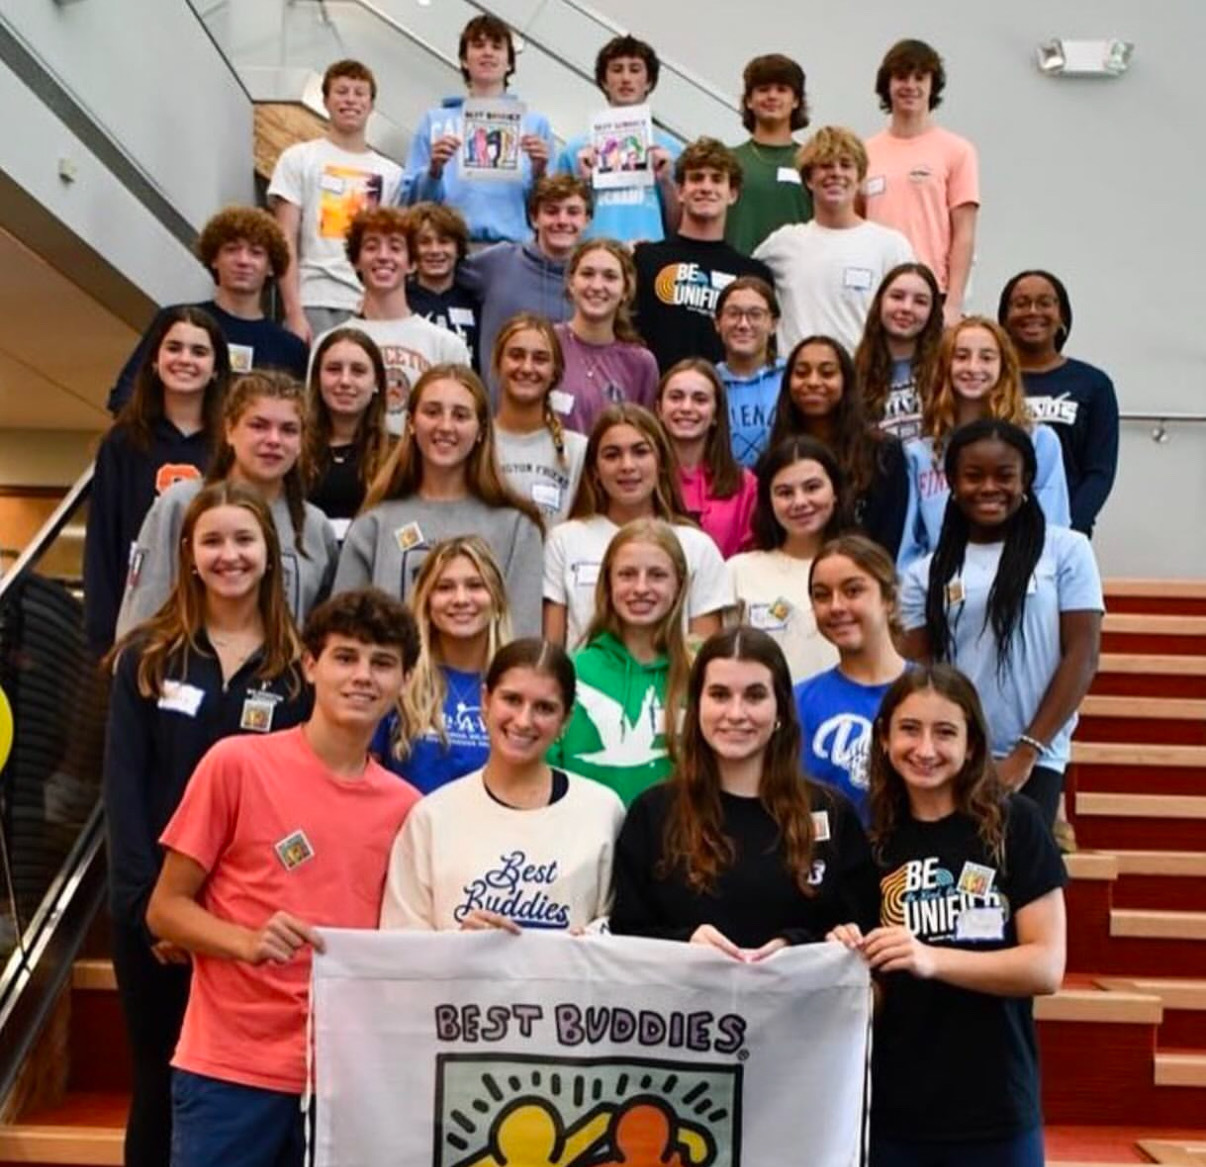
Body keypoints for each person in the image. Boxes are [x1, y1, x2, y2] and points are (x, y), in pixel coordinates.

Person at [144, 589, 421, 1167]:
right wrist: (245, 941)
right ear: (310, 665)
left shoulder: (408, 808)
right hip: (229, 1071)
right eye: (345, 657)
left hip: (345, 1080)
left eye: (383, 662)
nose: (363, 676)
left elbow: (415, 938)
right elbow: (165, 909)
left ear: (406, 679)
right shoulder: (236, 764)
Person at [103, 482, 309, 1167]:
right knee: (158, 1088)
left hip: (253, 924)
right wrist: (149, 914)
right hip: (156, 921)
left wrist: (243, 921)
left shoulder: (299, 671)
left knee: (246, 1100)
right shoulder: (147, 657)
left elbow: (298, 805)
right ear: (188, 554)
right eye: (213, 540)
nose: (230, 555)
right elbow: (123, 793)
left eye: (244, 540)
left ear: (269, 555)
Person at [829, 665, 1066, 1165]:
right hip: (895, 1113)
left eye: (945, 732)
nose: (925, 749)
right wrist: (842, 960)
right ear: (885, 739)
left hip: (997, 1108)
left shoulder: (1014, 824)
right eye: (909, 729)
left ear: (973, 743)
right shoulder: (872, 844)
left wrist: (931, 959)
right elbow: (871, 995)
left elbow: (1045, 967)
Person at [610, 627, 879, 952]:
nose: (736, 714)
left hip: (797, 1002)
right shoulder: (652, 813)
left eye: (754, 696)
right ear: (696, 707)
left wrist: (795, 946)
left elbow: (860, 932)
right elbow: (624, 935)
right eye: (720, 695)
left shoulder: (832, 813)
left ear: (780, 708)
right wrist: (685, 943)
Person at [898, 420, 1103, 828]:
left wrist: (1026, 753)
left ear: (1026, 479)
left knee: (1020, 881)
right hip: (949, 756)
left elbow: (1082, 654)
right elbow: (919, 674)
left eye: (1004, 475)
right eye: (974, 476)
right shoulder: (925, 574)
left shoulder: (1067, 551)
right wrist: (945, 748)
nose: (989, 487)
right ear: (952, 483)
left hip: (1035, 757)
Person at [380, 638, 626, 931]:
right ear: (485, 701)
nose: (523, 721)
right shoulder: (432, 817)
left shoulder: (602, 811)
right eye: (512, 700)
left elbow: (623, 933)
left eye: (545, 708)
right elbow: (401, 949)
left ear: (566, 720)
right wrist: (457, 946)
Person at [116, 371, 339, 640]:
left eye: (289, 430)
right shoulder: (182, 504)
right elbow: (143, 612)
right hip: (185, 675)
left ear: (303, 442)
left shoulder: (314, 526)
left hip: (281, 677)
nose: (274, 440)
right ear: (229, 430)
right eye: (258, 425)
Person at [334, 364, 545, 636]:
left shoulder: (517, 528)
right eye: (432, 412)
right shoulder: (374, 525)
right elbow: (344, 633)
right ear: (410, 423)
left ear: (481, 430)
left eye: (460, 415)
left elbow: (522, 642)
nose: (445, 426)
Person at [85, 307, 229, 657]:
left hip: (213, 618)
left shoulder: (230, 445)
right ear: (153, 360)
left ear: (216, 369)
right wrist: (103, 634)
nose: (185, 359)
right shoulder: (123, 443)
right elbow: (103, 541)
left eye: (199, 351)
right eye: (174, 348)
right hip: (138, 621)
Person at [543, 403, 732, 649]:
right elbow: (553, 651)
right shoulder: (564, 540)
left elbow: (704, 654)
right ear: (595, 470)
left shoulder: (697, 546)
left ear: (661, 462)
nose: (627, 466)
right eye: (612, 455)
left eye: (640, 452)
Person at [898, 317, 1069, 568]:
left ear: (1004, 367)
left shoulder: (1040, 442)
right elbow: (907, 549)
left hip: (1020, 582)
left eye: (987, 357)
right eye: (961, 356)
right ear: (945, 366)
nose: (973, 367)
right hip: (940, 588)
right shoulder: (918, 454)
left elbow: (1052, 529)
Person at [107, 208, 307, 415]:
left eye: (256, 253)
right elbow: (125, 395)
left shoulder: (291, 349)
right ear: (214, 259)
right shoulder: (176, 324)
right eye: (232, 249)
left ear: (271, 267)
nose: (243, 261)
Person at [549, 519, 691, 805]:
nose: (641, 587)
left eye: (657, 575)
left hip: (677, 844)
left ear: (678, 585)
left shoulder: (700, 674)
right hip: (587, 842)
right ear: (608, 584)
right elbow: (545, 770)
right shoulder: (570, 672)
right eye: (627, 574)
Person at [268, 59, 406, 343]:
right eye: (342, 92)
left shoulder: (392, 175)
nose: (351, 100)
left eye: (359, 93)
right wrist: (293, 312)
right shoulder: (299, 158)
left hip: (367, 304)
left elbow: (395, 252)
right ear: (326, 101)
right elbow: (283, 240)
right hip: (311, 298)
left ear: (371, 104)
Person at [754, 126, 914, 355]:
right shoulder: (782, 244)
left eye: (846, 165)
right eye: (826, 166)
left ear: (859, 178)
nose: (836, 173)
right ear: (809, 180)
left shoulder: (891, 247)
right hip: (796, 383)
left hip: (861, 385)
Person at [313, 206, 471, 434]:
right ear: (355, 261)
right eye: (371, 247)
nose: (383, 256)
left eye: (395, 247)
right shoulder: (328, 344)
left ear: (411, 263)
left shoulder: (447, 345)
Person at [372, 536, 509, 794]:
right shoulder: (399, 680)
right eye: (445, 587)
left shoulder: (514, 687)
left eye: (475, 585)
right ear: (426, 601)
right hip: (407, 830)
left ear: (497, 599)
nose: (460, 599)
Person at [407, 14, 554, 245]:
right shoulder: (434, 121)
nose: (487, 52)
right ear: (464, 60)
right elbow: (411, 204)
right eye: (478, 45)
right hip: (448, 249)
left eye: (497, 47)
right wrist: (433, 170)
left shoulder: (535, 125)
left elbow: (549, 210)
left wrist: (540, 172)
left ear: (509, 63)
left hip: (512, 250)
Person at [863, 40, 980, 326]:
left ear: (932, 85)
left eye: (920, 78)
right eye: (902, 77)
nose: (910, 86)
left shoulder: (957, 150)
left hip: (931, 292)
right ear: (887, 85)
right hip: (875, 290)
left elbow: (964, 234)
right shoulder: (864, 152)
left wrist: (953, 303)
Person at [794, 534, 908, 824]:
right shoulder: (797, 701)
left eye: (853, 591)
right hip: (832, 861)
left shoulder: (933, 695)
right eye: (821, 595)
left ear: (889, 600)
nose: (835, 606)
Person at [632, 138, 773, 371]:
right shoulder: (646, 259)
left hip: (724, 401)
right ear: (679, 191)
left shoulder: (753, 274)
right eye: (697, 178)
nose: (706, 187)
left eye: (717, 179)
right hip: (656, 399)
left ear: (733, 194)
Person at [998, 269, 1119, 538]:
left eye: (1045, 303)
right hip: (996, 530)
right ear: (1005, 318)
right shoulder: (991, 380)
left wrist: (1067, 529)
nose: (1032, 311)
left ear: (1061, 315)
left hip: (1066, 531)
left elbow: (1099, 472)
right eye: (1020, 303)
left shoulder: (1093, 384)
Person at [769, 335, 910, 558]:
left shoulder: (883, 453)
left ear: (846, 381)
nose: (813, 382)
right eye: (802, 373)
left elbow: (888, 538)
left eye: (827, 373)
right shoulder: (774, 455)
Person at [459, 174, 593, 399]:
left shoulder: (594, 279)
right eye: (551, 211)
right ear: (533, 218)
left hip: (570, 419)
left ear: (587, 219)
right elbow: (440, 271)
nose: (562, 220)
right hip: (498, 419)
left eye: (572, 212)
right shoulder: (498, 262)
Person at [728, 437, 843, 683]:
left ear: (835, 492)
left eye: (812, 487)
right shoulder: (739, 571)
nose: (800, 502)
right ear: (768, 502)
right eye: (785, 493)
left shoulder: (863, 568)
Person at [556, 35, 681, 245]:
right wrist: (582, 181)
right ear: (604, 81)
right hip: (592, 258)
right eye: (616, 69)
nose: (625, 78)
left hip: (650, 259)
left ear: (649, 81)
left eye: (634, 69)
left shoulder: (671, 150)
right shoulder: (574, 151)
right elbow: (559, 221)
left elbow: (679, 228)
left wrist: (667, 182)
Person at [555, 238, 659, 434]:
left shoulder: (641, 363)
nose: (596, 285)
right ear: (571, 283)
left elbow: (645, 438)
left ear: (626, 290)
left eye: (610, 277)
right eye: (587, 274)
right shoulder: (546, 343)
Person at [492, 312, 587, 525]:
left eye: (540, 359)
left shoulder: (579, 450)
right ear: (498, 364)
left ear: (555, 372)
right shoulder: (475, 442)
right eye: (516, 355)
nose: (527, 368)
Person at [655, 358, 756, 558]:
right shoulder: (641, 477)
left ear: (716, 413)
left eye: (700, 399)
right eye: (676, 397)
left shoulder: (745, 485)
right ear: (659, 409)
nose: (686, 407)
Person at [304, 326, 393, 527]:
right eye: (334, 369)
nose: (345, 381)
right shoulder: (293, 447)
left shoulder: (397, 454)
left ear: (377, 382)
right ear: (317, 378)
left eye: (358, 371)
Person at [725, 54, 812, 255]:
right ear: (748, 101)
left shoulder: (813, 162)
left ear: (796, 100)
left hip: (795, 275)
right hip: (738, 276)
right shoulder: (727, 161)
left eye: (782, 90)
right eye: (763, 90)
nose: (772, 96)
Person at [854, 262, 943, 442]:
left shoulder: (946, 369)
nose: (907, 308)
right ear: (880, 302)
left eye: (920, 301)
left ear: (932, 312)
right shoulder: (852, 372)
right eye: (897, 297)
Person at [714, 276, 785, 468]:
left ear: (773, 324)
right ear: (717, 322)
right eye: (733, 313)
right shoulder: (707, 385)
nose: (743, 324)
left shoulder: (791, 380)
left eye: (755, 314)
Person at [405, 202, 482, 367]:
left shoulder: (476, 301)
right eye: (424, 242)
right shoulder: (400, 301)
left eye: (444, 241)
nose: (435, 250)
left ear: (458, 249)